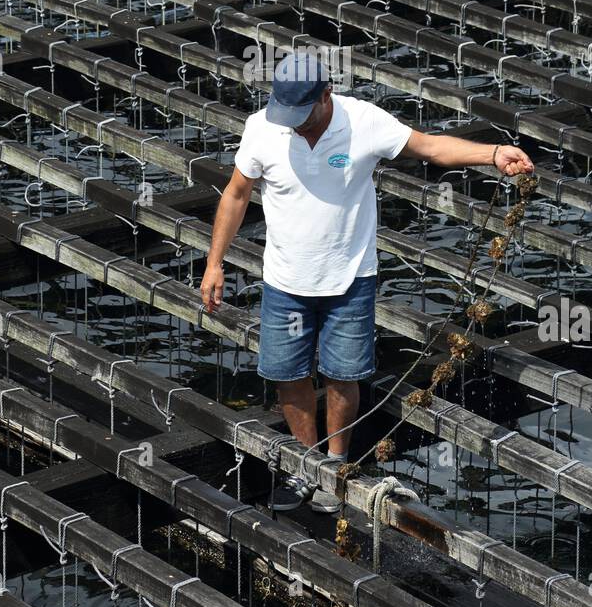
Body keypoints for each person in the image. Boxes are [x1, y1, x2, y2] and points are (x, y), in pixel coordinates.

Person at [199, 51, 534, 510]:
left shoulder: (363, 121)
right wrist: (214, 261)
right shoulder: (263, 127)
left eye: (302, 115)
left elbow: (430, 148)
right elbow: (237, 194)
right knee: (288, 375)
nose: (295, 125)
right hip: (286, 280)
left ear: (326, 95)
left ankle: (334, 464)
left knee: (342, 374)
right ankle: (304, 464)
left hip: (350, 277)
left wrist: (492, 154)